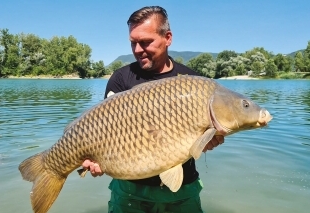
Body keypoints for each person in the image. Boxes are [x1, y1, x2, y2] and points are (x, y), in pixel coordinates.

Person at [82, 6, 224, 213]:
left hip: (183, 190)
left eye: (146, 42)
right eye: (133, 43)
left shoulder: (193, 82)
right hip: (129, 191)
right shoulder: (121, 79)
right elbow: (105, 134)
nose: (138, 49)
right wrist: (95, 160)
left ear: (168, 38)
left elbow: (201, 138)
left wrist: (208, 142)